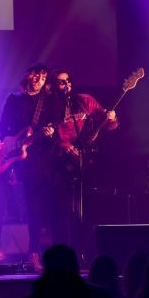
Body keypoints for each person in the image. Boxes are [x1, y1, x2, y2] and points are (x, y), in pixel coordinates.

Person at [0, 64, 54, 270]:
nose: (38, 79)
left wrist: (48, 134)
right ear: (28, 76)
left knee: (33, 207)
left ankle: (33, 251)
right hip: (8, 156)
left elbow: (49, 132)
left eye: (43, 77)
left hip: (33, 160)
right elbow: (1, 126)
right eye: (36, 74)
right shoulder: (14, 99)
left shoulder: (48, 103)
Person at [49, 68, 118, 258]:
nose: (66, 84)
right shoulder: (52, 107)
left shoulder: (85, 100)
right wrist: (64, 145)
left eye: (68, 80)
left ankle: (85, 249)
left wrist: (111, 118)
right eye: (61, 82)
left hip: (86, 160)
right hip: (63, 161)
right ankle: (63, 250)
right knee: (62, 206)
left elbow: (108, 123)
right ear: (55, 87)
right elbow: (49, 135)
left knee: (86, 205)